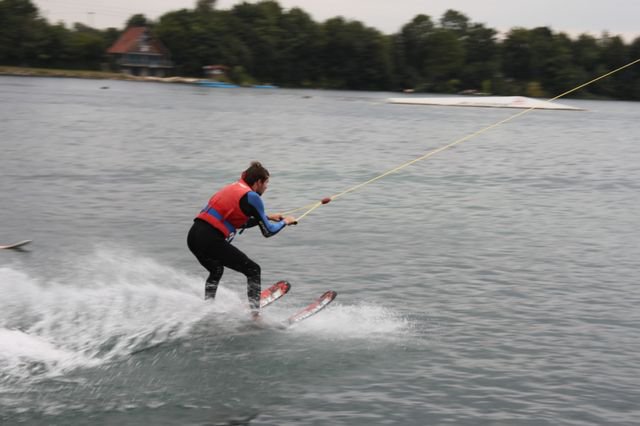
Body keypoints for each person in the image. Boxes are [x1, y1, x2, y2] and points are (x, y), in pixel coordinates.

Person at [187, 161, 296, 317]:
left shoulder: (235, 187)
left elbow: (236, 221)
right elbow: (267, 232)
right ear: (258, 182)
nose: (266, 187)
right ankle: (255, 318)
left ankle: (208, 307)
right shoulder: (252, 197)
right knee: (253, 270)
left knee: (216, 269)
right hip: (209, 239)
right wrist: (285, 222)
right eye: (266, 183)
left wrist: (268, 217)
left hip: (194, 236)